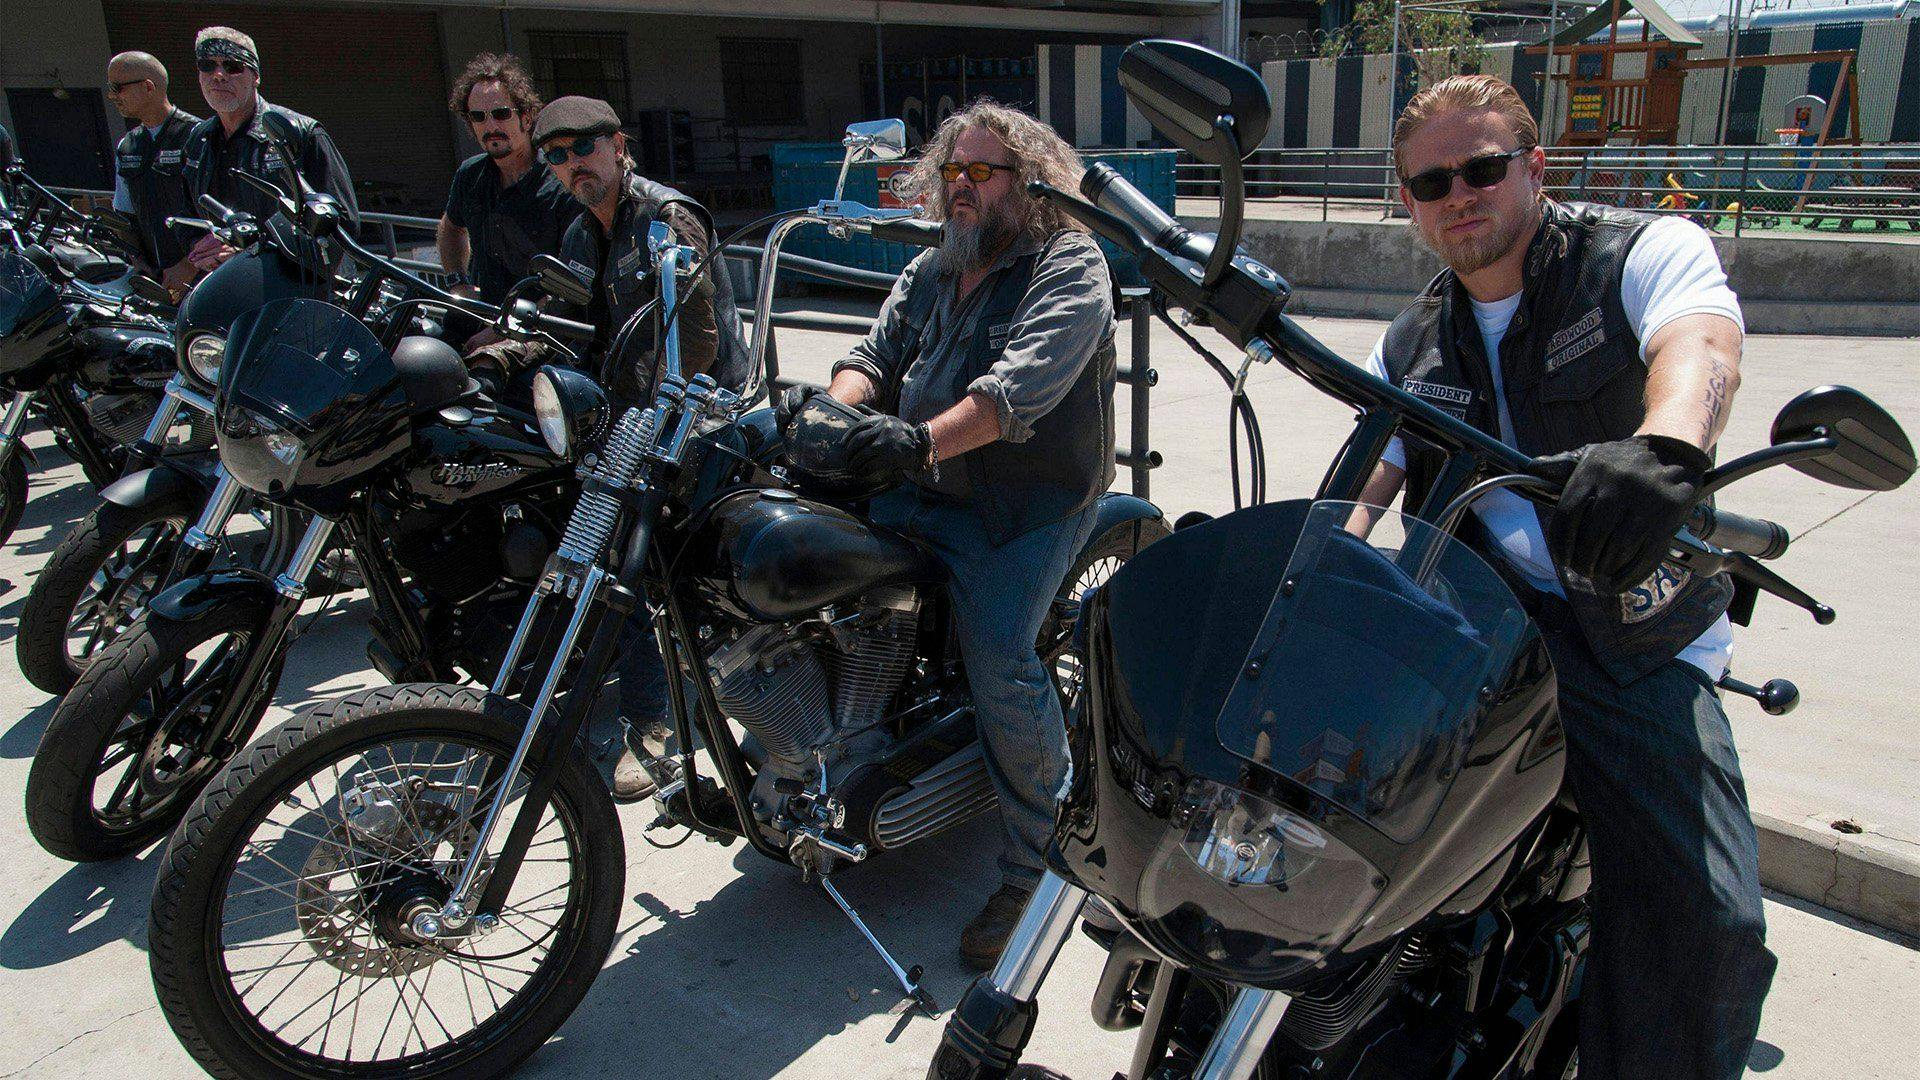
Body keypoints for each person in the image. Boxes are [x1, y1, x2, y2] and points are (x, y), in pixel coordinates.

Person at [1356, 75, 1772, 1079]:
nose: (1458, 192)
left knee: (1704, 914)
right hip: (1479, 629)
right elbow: (1373, 470)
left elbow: (1700, 339)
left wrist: (1665, 451)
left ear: (1534, 169)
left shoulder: (1635, 255)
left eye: (1482, 168)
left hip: (1626, 637)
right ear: (1409, 201)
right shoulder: (1411, 337)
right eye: (1430, 181)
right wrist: (1319, 548)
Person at [793, 99, 1116, 969]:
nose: (963, 187)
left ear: (1031, 183)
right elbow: (872, 353)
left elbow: (1018, 391)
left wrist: (918, 440)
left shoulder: (1070, 262)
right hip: (920, 480)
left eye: (983, 172)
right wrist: (836, 411)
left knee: (1002, 656)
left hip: (1024, 502)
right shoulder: (942, 264)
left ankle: (1037, 865)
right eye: (953, 172)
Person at [500, 96, 750, 799]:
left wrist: (635, 419)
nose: (571, 164)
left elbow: (698, 341)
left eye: (583, 148)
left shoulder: (667, 218)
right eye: (554, 155)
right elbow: (581, 332)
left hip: (698, 418)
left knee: (643, 572)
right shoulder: (583, 233)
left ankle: (659, 726)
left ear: (617, 145)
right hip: (631, 421)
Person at [178, 26, 358, 279]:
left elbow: (343, 224)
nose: (218, 75)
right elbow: (187, 215)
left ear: (255, 77)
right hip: (227, 286)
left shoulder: (300, 132)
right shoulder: (198, 139)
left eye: (232, 66)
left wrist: (250, 248)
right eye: (207, 65)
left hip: (300, 286)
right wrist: (199, 247)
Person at [437, 53, 577, 352]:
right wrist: (458, 282)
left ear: (526, 117)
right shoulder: (469, 175)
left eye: (501, 113)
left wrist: (503, 331)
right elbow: (451, 228)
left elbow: (572, 285)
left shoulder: (560, 182)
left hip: (542, 330)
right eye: (478, 117)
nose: (490, 126)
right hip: (481, 317)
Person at [105, 51, 199, 296]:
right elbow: (125, 212)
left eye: (118, 87)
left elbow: (223, 214)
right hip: (156, 279)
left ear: (148, 86)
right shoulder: (127, 146)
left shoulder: (198, 136)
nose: (112, 96)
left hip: (203, 275)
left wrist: (189, 265)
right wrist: (139, 262)